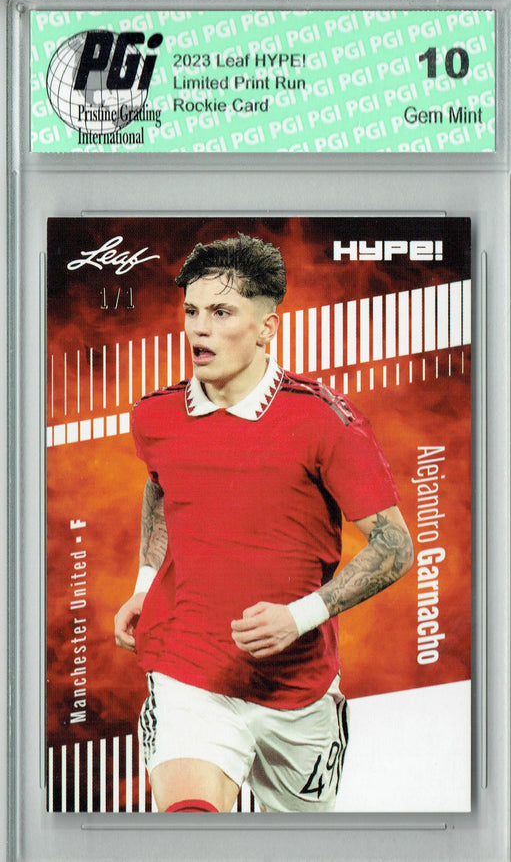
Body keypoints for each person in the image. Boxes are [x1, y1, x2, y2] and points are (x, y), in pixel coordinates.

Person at [114, 234, 413, 814]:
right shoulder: (155, 415)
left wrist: (299, 617)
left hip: (298, 693)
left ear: (266, 327)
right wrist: (146, 585)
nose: (199, 330)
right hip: (189, 673)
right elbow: (161, 484)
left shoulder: (324, 420)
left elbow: (395, 546)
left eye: (221, 313)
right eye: (191, 312)